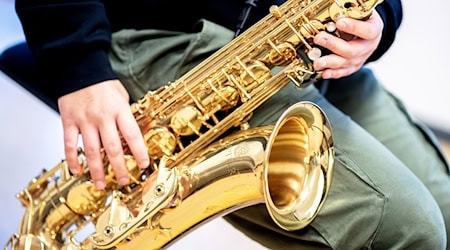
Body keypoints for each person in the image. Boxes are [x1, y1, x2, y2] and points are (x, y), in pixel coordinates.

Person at [1, 0, 449, 249]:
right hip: (168, 35)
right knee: (409, 231)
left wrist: (378, 19)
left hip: (309, 47)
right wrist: (77, 61)